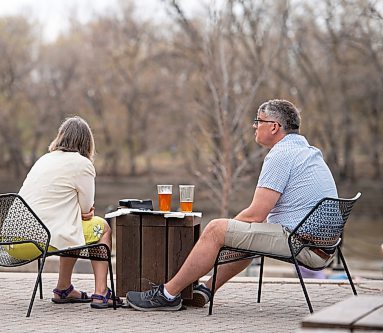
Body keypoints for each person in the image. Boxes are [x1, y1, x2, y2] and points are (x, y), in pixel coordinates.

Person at [126, 99, 338, 311]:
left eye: (259, 121)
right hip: (322, 246)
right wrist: (233, 232)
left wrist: (222, 234)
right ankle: (206, 290)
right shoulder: (308, 152)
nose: (255, 126)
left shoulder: (281, 155)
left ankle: (167, 294)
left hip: (302, 245)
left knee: (216, 229)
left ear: (274, 127)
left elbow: (256, 214)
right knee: (243, 234)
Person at [13, 116, 122, 309]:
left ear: (60, 137)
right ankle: (101, 293)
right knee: (102, 228)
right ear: (87, 142)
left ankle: (63, 288)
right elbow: (87, 209)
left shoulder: (44, 159)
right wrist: (81, 212)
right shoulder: (83, 164)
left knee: (72, 227)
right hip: (39, 240)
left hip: (13, 241)